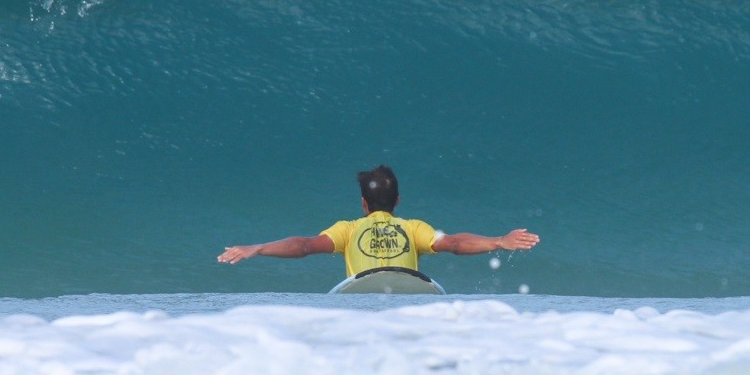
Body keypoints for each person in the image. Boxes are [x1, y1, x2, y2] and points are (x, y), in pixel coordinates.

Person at [217, 164, 539, 276]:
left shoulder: (347, 230)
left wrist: (258, 248)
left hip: (363, 303)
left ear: (363, 204)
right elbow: (454, 243)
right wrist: (499, 241)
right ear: (397, 201)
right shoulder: (413, 229)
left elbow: (302, 246)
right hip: (407, 297)